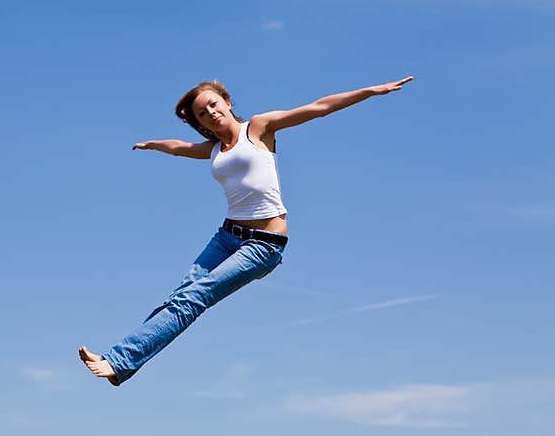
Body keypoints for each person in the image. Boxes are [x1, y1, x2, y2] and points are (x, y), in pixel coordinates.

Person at [80, 75, 414, 386]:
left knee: (195, 296)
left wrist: (370, 91)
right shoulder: (211, 150)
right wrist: (153, 144)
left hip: (264, 246)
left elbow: (318, 108)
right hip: (226, 237)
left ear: (226, 101)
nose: (210, 113)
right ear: (198, 123)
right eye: (201, 114)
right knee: (180, 295)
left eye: (213, 104)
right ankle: (122, 364)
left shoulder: (258, 128)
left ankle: (120, 361)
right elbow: (179, 147)